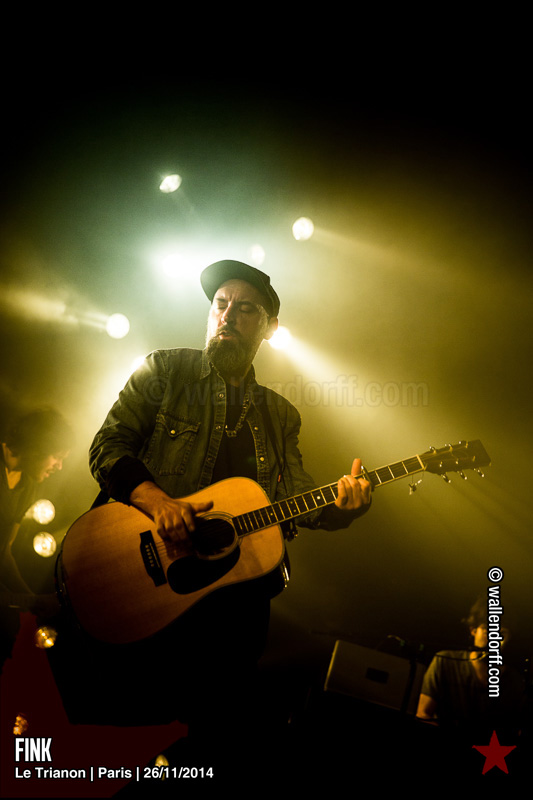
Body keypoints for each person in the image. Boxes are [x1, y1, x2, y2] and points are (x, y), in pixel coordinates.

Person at [86, 260, 372, 779]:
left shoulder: (280, 415)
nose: (228, 316)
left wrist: (344, 505)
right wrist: (158, 502)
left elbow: (298, 497)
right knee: (123, 732)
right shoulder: (165, 370)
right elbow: (108, 447)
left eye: (245, 309)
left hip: (231, 613)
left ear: (270, 328)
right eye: (220, 304)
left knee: (213, 747)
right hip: (148, 583)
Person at [0, 407, 72, 671]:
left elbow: (4, 552)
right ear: (39, 446)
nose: (59, 466)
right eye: (57, 457)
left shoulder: (27, 486)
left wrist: (31, 598)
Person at [416, 597, 525, 740]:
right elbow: (423, 714)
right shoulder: (445, 661)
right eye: (488, 630)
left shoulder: (514, 681)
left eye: (502, 633)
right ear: (473, 630)